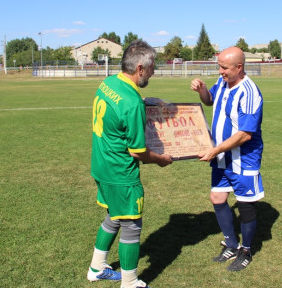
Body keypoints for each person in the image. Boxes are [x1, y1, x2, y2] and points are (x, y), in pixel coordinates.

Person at [88, 40, 173, 288]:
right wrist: (161, 160)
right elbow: (138, 152)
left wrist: (146, 100)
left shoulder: (110, 82)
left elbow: (120, 106)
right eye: (152, 67)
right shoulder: (132, 102)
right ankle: (130, 282)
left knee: (114, 216)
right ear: (140, 68)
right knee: (132, 224)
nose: (154, 72)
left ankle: (97, 267)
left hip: (101, 164)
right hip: (120, 172)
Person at [190, 47, 264, 272]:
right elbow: (209, 101)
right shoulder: (223, 81)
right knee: (217, 197)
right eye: (219, 66)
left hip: (244, 156)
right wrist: (202, 90)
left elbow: (245, 134)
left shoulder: (249, 92)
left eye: (224, 67)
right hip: (222, 154)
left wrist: (214, 150)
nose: (220, 71)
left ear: (239, 67)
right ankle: (231, 243)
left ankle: (246, 250)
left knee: (245, 204)